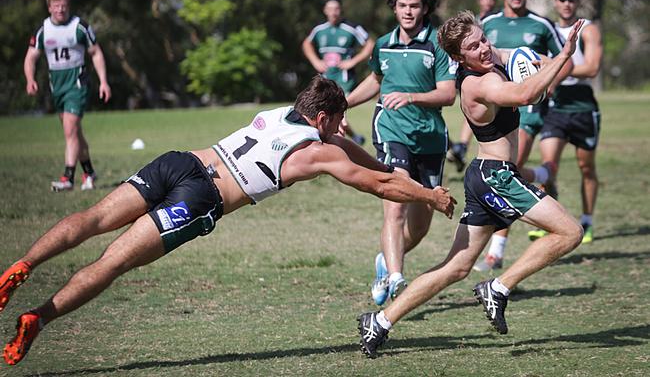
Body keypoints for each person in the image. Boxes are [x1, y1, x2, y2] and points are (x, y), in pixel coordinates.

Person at [0, 76, 456, 366]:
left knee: (94, 215)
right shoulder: (316, 151)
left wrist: (382, 163)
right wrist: (428, 195)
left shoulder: (281, 113)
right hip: (199, 198)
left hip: (180, 161)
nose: (341, 130)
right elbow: (376, 185)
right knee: (113, 261)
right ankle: (38, 319)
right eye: (338, 122)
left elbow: (354, 154)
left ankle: (21, 266)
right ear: (321, 118)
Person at [357, 11, 584, 358]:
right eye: (473, 47)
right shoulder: (478, 83)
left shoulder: (487, 60)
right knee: (569, 233)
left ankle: (381, 321)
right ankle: (498, 286)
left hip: (485, 175)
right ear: (458, 58)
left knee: (456, 267)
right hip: (497, 177)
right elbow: (526, 94)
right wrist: (565, 56)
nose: (484, 49)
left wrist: (541, 58)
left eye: (483, 39)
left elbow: (518, 58)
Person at [344, 0, 456, 306]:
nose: (408, 11)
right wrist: (343, 103)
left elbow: (448, 94)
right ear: (394, 7)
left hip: (431, 138)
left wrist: (412, 96)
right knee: (395, 207)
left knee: (420, 226)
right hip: (391, 131)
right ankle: (395, 276)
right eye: (403, 5)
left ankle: (387, 259)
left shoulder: (437, 44)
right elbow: (376, 80)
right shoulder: (383, 45)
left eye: (415, 6)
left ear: (425, 8)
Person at [473, 0, 570, 272]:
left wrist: (547, 83)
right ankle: (543, 174)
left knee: (508, 171)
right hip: (500, 105)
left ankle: (496, 251)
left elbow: (562, 59)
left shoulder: (541, 25)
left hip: (529, 108)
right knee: (508, 170)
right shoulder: (487, 24)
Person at [528, 0, 603, 244]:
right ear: (555, 2)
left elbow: (592, 67)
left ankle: (587, 220)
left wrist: (557, 68)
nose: (567, 3)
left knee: (586, 167)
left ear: (577, 1)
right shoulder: (547, 29)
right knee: (549, 166)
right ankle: (551, 221)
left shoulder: (588, 29)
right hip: (556, 106)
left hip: (583, 106)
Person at [24, 0, 111, 192]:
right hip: (57, 85)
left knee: (70, 130)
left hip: (77, 84)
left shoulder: (79, 27)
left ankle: (68, 178)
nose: (60, 10)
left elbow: (96, 53)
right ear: (49, 8)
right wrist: (30, 79)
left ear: (68, 7)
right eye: (56, 6)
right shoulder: (43, 30)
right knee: (74, 133)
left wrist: (104, 81)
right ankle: (89, 171)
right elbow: (30, 57)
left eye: (64, 6)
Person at [303, 0, 375, 145]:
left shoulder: (352, 28)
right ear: (325, 11)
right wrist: (315, 61)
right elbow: (306, 44)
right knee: (331, 114)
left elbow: (370, 43)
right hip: (325, 80)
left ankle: (339, 151)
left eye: (336, 9)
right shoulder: (319, 30)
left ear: (341, 10)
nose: (333, 12)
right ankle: (354, 137)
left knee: (338, 113)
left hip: (344, 79)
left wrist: (353, 61)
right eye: (330, 9)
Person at [447, 0, 498, 172]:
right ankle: (462, 146)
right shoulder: (475, 23)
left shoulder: (495, 20)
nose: (488, 2)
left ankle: (462, 147)